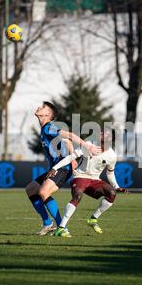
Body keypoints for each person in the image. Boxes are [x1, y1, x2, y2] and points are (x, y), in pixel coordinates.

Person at [25, 101, 101, 236]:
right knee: (31, 189)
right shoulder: (45, 129)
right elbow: (66, 141)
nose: (39, 107)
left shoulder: (49, 127)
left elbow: (70, 135)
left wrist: (86, 146)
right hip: (56, 167)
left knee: (43, 192)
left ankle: (62, 227)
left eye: (43, 107)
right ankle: (48, 224)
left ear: (48, 114)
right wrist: (72, 154)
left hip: (62, 168)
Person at [47, 130, 129, 237]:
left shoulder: (112, 155)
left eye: (105, 133)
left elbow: (110, 173)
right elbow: (71, 157)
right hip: (80, 176)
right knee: (78, 195)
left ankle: (93, 219)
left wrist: (117, 187)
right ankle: (61, 228)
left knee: (112, 193)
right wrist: (55, 168)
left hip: (95, 180)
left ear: (111, 139)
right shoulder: (89, 144)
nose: (101, 133)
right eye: (101, 132)